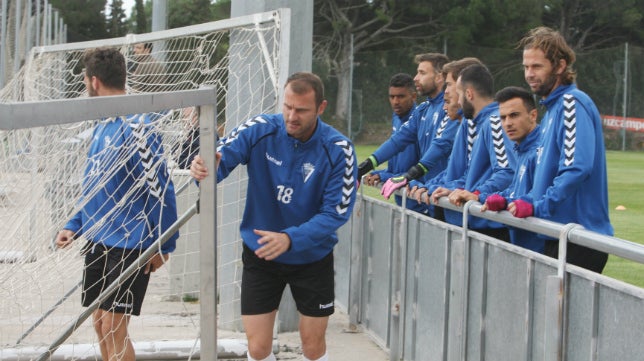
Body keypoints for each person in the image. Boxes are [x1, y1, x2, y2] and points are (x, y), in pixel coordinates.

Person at [190, 72, 357, 361]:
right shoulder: (261, 129)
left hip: (312, 256)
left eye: (302, 110)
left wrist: (291, 239)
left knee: (312, 346)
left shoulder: (339, 150)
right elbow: (220, 159)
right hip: (261, 252)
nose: (292, 116)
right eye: (287, 107)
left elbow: (335, 213)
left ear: (321, 108)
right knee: (257, 348)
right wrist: (205, 168)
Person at [55, 47, 179, 361]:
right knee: (99, 323)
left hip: (130, 242)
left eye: (84, 79)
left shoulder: (138, 127)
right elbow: (96, 188)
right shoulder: (102, 125)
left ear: (93, 82)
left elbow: (162, 188)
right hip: (98, 238)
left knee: (113, 326)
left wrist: (164, 243)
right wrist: (74, 225)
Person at [513, 26, 612, 272]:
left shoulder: (572, 103)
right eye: (526, 67)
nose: (529, 74)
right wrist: (512, 201)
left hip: (579, 238)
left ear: (559, 66)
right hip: (558, 234)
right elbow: (540, 180)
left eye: (537, 67)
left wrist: (539, 207)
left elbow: (576, 168)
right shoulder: (552, 111)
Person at [415, 63, 515, 241]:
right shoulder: (479, 124)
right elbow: (469, 176)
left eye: (459, 94)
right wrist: (448, 188)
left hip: (489, 226)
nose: (458, 101)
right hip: (474, 222)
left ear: (469, 94)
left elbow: (507, 172)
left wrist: (476, 194)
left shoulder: (493, 123)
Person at [357, 53, 457, 218]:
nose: (416, 78)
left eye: (422, 73)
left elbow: (441, 145)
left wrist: (407, 175)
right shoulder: (423, 109)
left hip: (444, 198)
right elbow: (397, 141)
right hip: (428, 195)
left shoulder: (450, 109)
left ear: (439, 77)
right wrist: (365, 166)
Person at [480, 86, 544, 253]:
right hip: (524, 246)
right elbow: (517, 191)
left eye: (514, 115)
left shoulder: (539, 150)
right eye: (503, 117)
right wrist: (500, 198)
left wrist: (515, 201)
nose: (507, 123)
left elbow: (541, 194)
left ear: (533, 115)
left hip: (541, 247)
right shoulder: (522, 149)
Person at [362, 73, 425, 213]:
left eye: (401, 96)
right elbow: (397, 166)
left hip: (420, 205)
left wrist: (386, 176)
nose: (396, 101)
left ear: (414, 96)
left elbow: (422, 172)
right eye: (392, 97)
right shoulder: (396, 117)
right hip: (402, 202)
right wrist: (380, 173)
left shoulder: (421, 122)